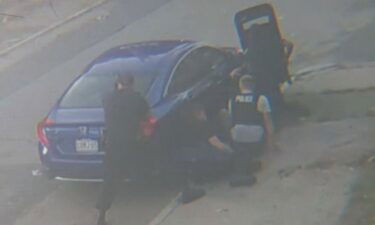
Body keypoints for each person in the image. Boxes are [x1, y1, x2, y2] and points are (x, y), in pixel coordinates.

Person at [96, 74, 150, 225]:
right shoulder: (136, 99)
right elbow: (146, 114)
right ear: (131, 85)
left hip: (113, 143)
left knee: (110, 178)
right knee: (148, 165)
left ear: (117, 84)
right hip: (131, 142)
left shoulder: (108, 98)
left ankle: (102, 214)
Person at [227, 74, 276, 185]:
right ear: (253, 86)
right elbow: (269, 124)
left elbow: (231, 122)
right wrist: (271, 146)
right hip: (256, 139)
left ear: (240, 86)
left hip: (238, 139)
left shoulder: (232, 100)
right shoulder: (261, 98)